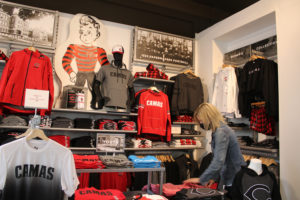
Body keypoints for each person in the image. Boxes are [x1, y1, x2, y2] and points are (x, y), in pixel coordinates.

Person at [183, 103, 245, 196]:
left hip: (234, 178)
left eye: (201, 121)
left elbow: (219, 160)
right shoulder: (218, 131)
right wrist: (213, 178)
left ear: (209, 117)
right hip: (229, 176)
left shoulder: (221, 132)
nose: (201, 124)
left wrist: (201, 179)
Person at [62, 15, 109, 90]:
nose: (85, 35)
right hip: (80, 74)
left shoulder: (99, 50)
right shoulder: (74, 47)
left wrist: (101, 76)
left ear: (97, 35)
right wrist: (71, 73)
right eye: (82, 32)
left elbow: (106, 66)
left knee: (96, 94)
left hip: (92, 75)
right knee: (77, 92)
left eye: (89, 32)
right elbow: (65, 61)